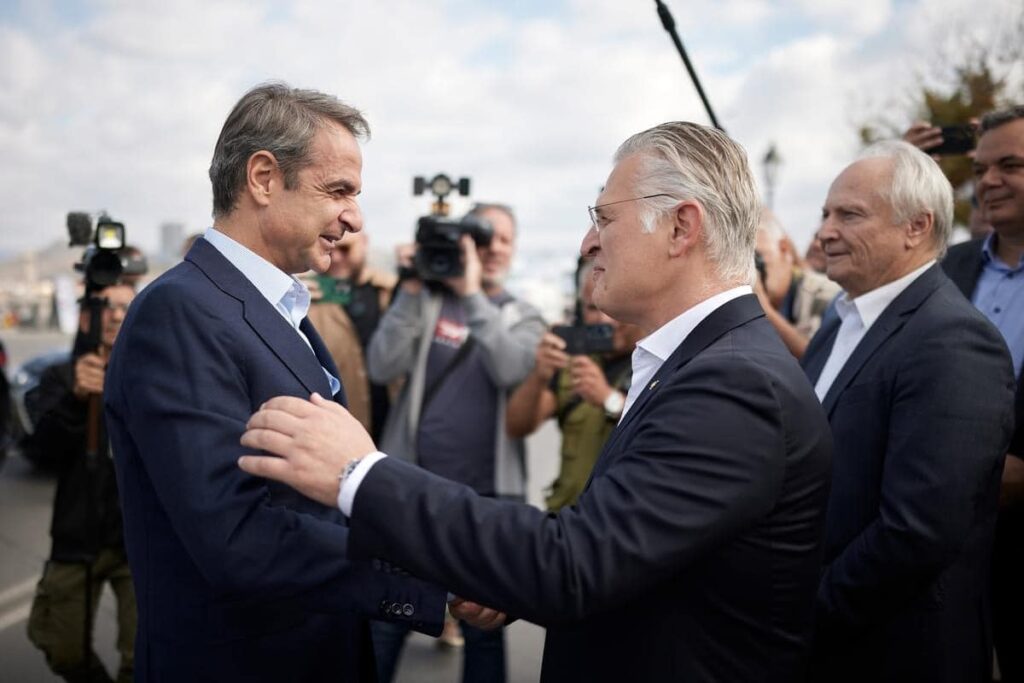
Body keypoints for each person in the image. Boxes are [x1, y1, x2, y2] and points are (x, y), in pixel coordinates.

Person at [239, 121, 834, 682]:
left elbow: (576, 564)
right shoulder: (712, 364)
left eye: (604, 218)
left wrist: (358, 473)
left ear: (681, 228)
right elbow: (618, 545)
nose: (587, 243)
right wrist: (510, 575)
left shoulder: (735, 382)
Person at [103, 83, 445, 683]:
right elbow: (236, 535)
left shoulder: (275, 307)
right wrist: (430, 577)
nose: (354, 217)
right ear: (263, 178)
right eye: (338, 191)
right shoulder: (180, 312)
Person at [801, 140, 1015, 682]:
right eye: (825, 214)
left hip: (895, 654)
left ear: (916, 227)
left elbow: (918, 531)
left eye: (849, 215)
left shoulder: (954, 341)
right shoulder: (837, 325)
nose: (825, 232)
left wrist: (800, 614)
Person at [364, 202, 546, 683]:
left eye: (504, 239)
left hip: (486, 503)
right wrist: (410, 288)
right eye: (484, 237)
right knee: (387, 622)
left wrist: (470, 294)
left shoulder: (524, 315)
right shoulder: (425, 300)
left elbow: (510, 368)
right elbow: (381, 366)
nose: (494, 248)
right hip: (410, 495)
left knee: (483, 633)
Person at [941, 105, 1024, 682]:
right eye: (979, 169)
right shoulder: (949, 267)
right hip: (944, 548)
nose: (987, 181)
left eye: (1010, 165)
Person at [27, 280, 138, 683]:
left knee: (143, 656)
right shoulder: (60, 376)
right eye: (106, 306)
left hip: (137, 539)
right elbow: (43, 450)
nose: (117, 315)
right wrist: (75, 399)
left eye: (126, 307)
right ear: (87, 317)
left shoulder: (152, 374)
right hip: (77, 536)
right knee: (61, 646)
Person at [505, 258, 643, 511]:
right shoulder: (573, 361)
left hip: (622, 518)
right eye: (593, 307)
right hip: (567, 515)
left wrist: (609, 400)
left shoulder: (656, 362)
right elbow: (518, 425)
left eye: (615, 305)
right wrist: (539, 375)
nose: (604, 320)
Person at [307, 230, 397, 440]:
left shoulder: (392, 290)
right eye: (330, 248)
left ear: (364, 242)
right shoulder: (305, 295)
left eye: (346, 249)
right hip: (337, 431)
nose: (337, 257)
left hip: (392, 428)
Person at [753, 209, 840, 358]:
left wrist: (764, 310)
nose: (750, 269)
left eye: (757, 258)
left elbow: (820, 359)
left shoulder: (825, 294)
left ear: (784, 248)